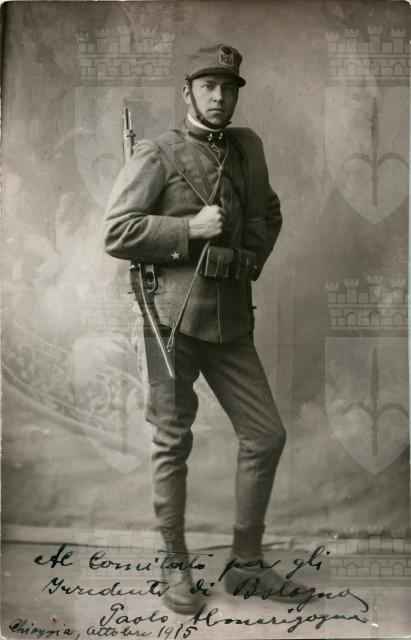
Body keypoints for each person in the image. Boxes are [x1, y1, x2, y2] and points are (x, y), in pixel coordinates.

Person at [104, 44, 306, 614]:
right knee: (172, 441)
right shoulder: (157, 152)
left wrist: (244, 260)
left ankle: (246, 565)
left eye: (228, 87)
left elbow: (268, 212)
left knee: (265, 435)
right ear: (188, 92)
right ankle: (175, 565)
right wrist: (189, 229)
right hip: (170, 321)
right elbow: (117, 231)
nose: (219, 97)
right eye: (208, 87)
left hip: (230, 320)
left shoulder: (248, 147)